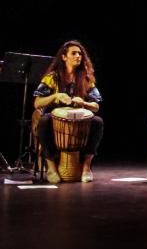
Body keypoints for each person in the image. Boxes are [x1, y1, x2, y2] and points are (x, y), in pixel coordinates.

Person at [33, 40, 103, 183]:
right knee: (44, 121)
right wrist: (56, 96)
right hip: (54, 119)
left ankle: (86, 167)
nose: (78, 56)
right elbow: (37, 103)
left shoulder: (86, 78)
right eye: (74, 53)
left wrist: (83, 103)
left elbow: (96, 106)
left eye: (80, 54)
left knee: (97, 122)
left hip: (79, 120)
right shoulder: (52, 77)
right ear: (64, 57)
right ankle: (51, 167)